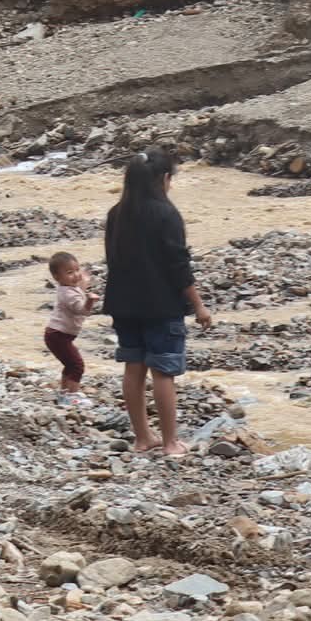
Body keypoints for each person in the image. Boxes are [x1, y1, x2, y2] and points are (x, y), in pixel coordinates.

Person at [101, 148, 213, 456]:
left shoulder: (116, 213)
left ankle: (142, 438)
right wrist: (199, 305)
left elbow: (113, 259)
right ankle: (170, 442)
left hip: (123, 303)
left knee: (133, 367)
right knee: (164, 371)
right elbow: (178, 264)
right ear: (163, 179)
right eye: (170, 179)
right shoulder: (166, 214)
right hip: (160, 304)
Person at [43, 250, 99, 407]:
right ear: (57, 278)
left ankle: (64, 393)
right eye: (69, 272)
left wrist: (84, 279)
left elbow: (79, 287)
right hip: (58, 336)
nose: (75, 275)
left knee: (69, 364)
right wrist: (90, 301)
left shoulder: (68, 287)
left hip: (56, 335)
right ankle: (71, 397)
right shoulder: (67, 293)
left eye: (77, 270)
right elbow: (81, 310)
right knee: (77, 365)